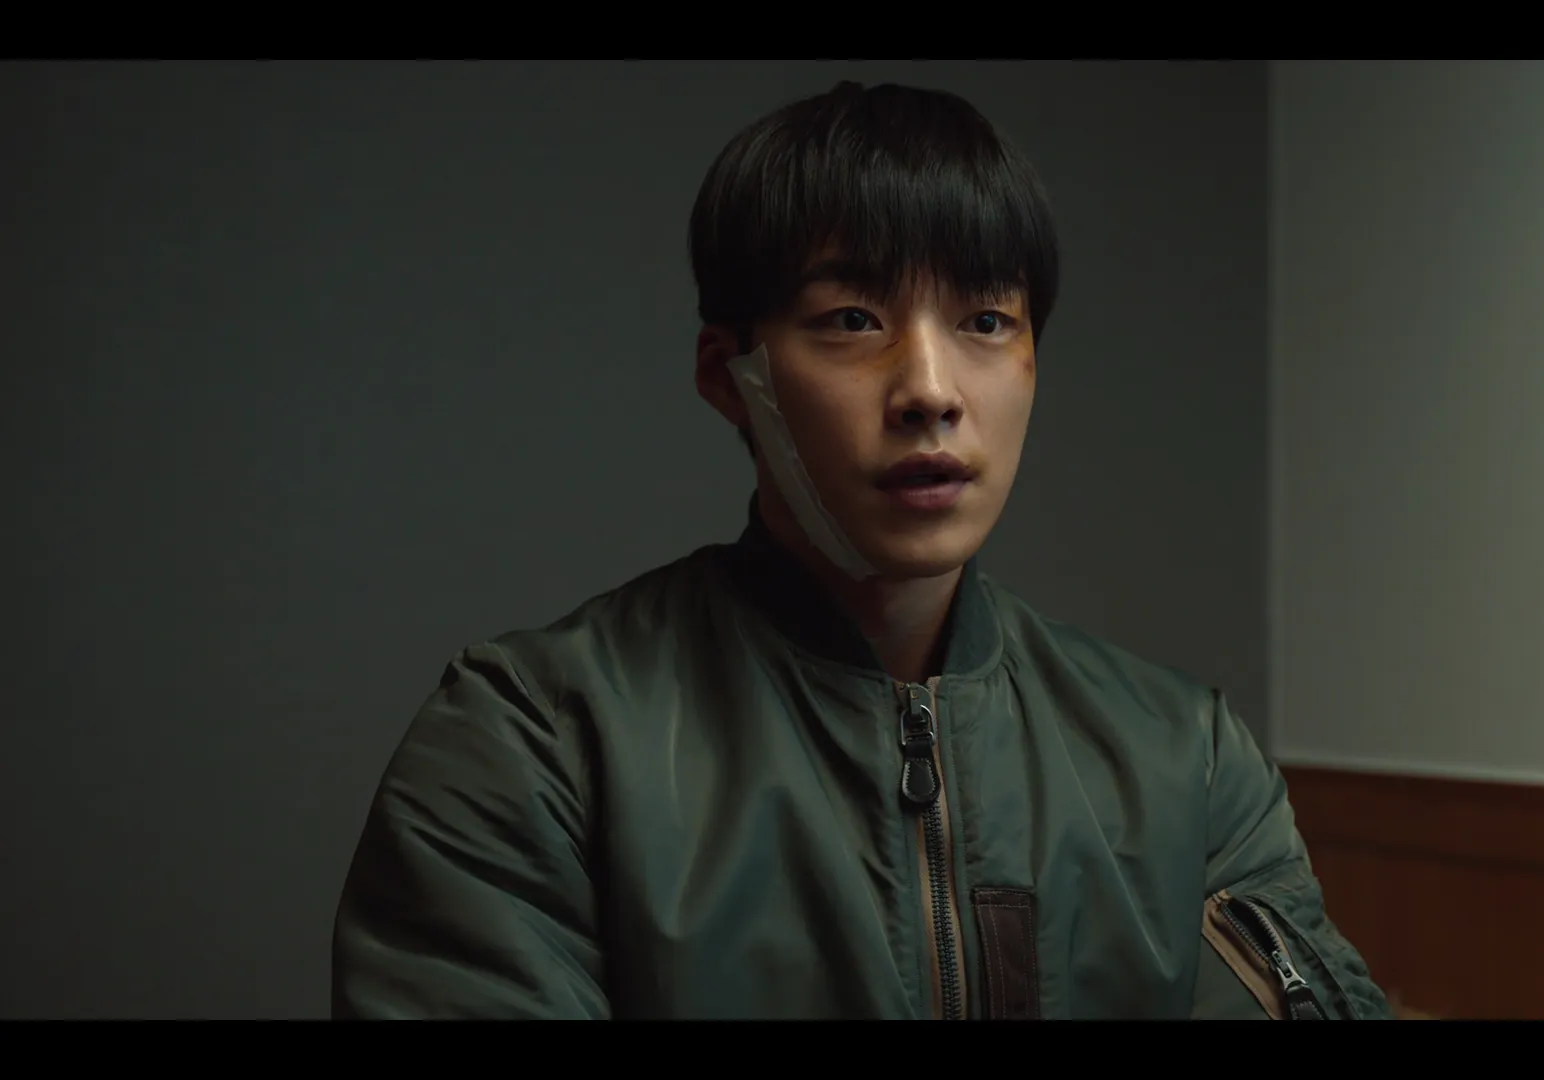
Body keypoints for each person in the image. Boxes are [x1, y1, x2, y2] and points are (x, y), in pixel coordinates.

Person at [331, 79, 1392, 1020]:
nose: (929, 390)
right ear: (729, 374)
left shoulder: (1184, 759)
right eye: (851, 318)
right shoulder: (537, 744)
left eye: (985, 320)